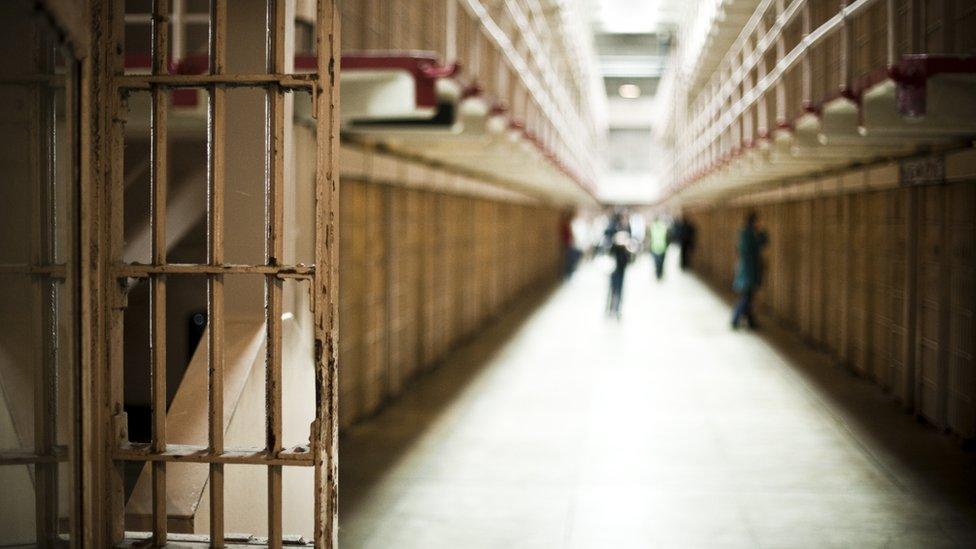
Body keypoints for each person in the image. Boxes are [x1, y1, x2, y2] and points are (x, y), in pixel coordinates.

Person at [731, 211, 768, 329]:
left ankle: (750, 321)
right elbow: (762, 243)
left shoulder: (745, 234)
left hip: (746, 271)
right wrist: (761, 231)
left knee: (748, 298)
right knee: (747, 297)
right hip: (748, 272)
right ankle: (735, 319)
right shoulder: (749, 235)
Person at [605, 213, 633, 318]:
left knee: (620, 287)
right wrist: (616, 239)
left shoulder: (627, 228)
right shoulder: (612, 228)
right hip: (613, 263)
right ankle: (609, 309)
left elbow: (630, 243)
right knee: (612, 287)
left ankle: (617, 309)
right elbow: (606, 240)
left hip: (622, 263)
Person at [648, 216, 669, 281]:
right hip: (662, 247)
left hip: (655, 247)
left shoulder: (652, 227)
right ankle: (660, 274)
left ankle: (658, 274)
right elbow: (668, 237)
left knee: (656, 262)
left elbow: (649, 238)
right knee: (661, 262)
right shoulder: (663, 226)